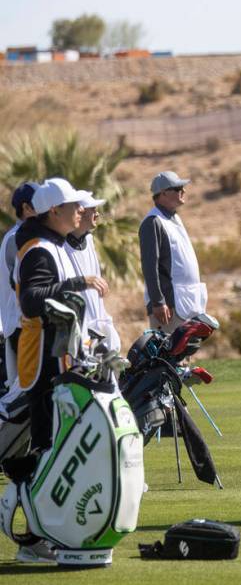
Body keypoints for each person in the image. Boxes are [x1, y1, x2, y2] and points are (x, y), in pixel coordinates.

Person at [15, 178, 108, 450]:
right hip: (45, 361)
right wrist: (78, 283)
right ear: (54, 210)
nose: (80, 208)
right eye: (73, 205)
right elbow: (30, 301)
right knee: (48, 446)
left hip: (58, 357)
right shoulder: (39, 250)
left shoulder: (53, 244)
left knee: (61, 443)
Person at [139, 171, 207, 334]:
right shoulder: (153, 222)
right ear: (162, 194)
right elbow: (150, 266)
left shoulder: (173, 218)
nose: (183, 191)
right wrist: (158, 302)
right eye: (177, 188)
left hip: (184, 301)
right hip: (169, 305)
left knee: (183, 356)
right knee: (169, 356)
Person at [66, 191, 121, 354]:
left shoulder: (89, 240)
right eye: (93, 209)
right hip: (79, 329)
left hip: (98, 322)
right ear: (80, 212)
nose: (97, 214)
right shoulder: (61, 246)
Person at [0, 182, 38, 411]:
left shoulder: (24, 235)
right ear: (26, 208)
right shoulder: (18, 238)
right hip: (19, 326)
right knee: (18, 397)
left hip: (22, 324)